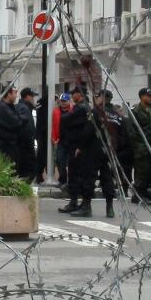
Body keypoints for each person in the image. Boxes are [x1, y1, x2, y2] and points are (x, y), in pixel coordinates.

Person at [59, 88, 98, 217]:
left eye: (73, 94)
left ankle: (85, 206)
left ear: (79, 95)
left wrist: (80, 146)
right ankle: (74, 202)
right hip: (75, 146)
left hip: (81, 148)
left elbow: (66, 119)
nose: (71, 96)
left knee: (83, 176)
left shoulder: (83, 108)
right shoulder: (79, 108)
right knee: (74, 175)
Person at [128, 87, 151, 204]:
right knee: (141, 171)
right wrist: (138, 145)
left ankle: (144, 193)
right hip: (141, 145)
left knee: (148, 171)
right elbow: (132, 130)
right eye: (148, 96)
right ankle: (137, 195)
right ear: (142, 96)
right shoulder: (135, 109)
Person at [92, 90, 122, 218]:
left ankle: (86, 205)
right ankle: (109, 207)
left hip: (95, 149)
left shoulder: (96, 112)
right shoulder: (117, 115)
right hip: (111, 151)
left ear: (103, 98)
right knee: (107, 179)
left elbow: (89, 130)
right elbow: (122, 135)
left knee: (89, 177)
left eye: (98, 96)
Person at [0, 85, 22, 170]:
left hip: (9, 145)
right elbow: (16, 122)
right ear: (9, 94)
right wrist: (23, 119)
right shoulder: (3, 108)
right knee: (8, 170)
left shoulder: (9, 106)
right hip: (5, 147)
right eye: (15, 93)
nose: (16, 95)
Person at [16, 87, 39, 181]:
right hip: (25, 146)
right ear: (27, 97)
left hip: (23, 146)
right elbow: (26, 129)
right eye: (32, 96)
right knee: (29, 171)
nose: (33, 98)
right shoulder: (23, 108)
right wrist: (30, 141)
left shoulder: (24, 107)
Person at [52, 93, 73, 185]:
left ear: (69, 101)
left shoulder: (73, 110)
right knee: (60, 160)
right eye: (61, 101)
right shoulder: (56, 111)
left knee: (72, 162)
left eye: (65, 101)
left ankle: (72, 180)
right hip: (61, 140)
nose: (63, 103)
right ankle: (62, 179)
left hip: (72, 140)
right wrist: (54, 137)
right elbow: (53, 125)